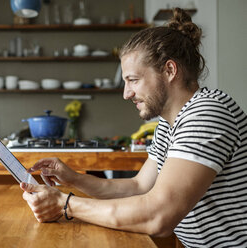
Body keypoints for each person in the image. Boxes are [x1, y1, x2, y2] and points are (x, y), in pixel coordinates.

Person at [20, 8, 247, 248]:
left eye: (133, 80)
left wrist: (65, 205)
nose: (127, 94)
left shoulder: (207, 114)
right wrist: (73, 179)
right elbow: (137, 187)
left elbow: (159, 215)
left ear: (169, 71)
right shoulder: (169, 124)